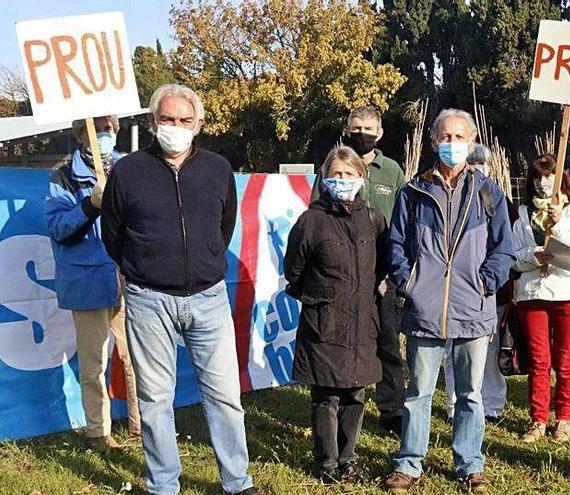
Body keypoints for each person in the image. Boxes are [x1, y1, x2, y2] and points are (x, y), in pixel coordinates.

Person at [101, 84, 256, 495]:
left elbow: (223, 228)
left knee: (224, 396)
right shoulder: (127, 171)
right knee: (154, 400)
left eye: (185, 120)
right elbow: (112, 235)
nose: (176, 127)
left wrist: (201, 261)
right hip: (148, 300)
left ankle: (237, 482)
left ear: (199, 124)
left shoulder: (219, 168)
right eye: (167, 119)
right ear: (153, 122)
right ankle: (163, 485)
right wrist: (148, 267)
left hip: (208, 298)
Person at [383, 109, 514, 494]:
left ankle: (470, 464)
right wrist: (409, 282)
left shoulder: (489, 193)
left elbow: (503, 247)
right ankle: (409, 462)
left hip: (473, 307)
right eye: (445, 137)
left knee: (470, 394)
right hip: (425, 309)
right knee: (418, 392)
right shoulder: (413, 192)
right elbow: (396, 244)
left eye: (460, 137)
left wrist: (486, 283)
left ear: (472, 144)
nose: (452, 144)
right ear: (432, 141)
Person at [285, 146, 386, 484]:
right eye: (335, 175)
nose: (342, 180)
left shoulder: (373, 221)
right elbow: (294, 271)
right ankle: (327, 463)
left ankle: (348, 459)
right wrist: (322, 298)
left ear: (361, 177)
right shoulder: (311, 221)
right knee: (326, 396)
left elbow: (381, 267)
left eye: (348, 174)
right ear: (325, 179)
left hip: (361, 322)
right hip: (324, 323)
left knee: (355, 394)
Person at [45, 115, 140, 452]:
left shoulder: (129, 168)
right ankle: (98, 434)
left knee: (137, 356)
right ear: (79, 135)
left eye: (110, 129)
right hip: (86, 280)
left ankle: (141, 424)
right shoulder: (63, 176)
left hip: (128, 276)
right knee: (94, 363)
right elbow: (58, 229)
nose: (105, 135)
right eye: (97, 129)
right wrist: (90, 205)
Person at [312, 107, 407, 435]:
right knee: (344, 342)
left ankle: (392, 408)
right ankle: (342, 400)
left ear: (379, 133)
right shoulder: (333, 166)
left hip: (382, 273)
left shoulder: (392, 171)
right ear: (347, 129)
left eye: (368, 128)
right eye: (356, 127)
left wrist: (395, 270)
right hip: (341, 278)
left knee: (388, 342)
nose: (362, 133)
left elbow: (402, 221)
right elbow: (315, 215)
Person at [512, 154, 570, 443]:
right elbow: (514, 256)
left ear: (561, 179)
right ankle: (538, 419)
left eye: (549, 176)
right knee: (538, 361)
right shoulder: (521, 214)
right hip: (533, 294)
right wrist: (533, 257)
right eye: (537, 177)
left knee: (566, 360)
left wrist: (559, 225)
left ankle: (565, 419)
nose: (543, 183)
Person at [443, 144, 512, 424]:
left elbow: (504, 244)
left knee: (489, 353)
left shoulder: (494, 196)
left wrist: (489, 282)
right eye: (472, 162)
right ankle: (452, 405)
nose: (476, 167)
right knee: (452, 353)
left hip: (488, 291)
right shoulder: (448, 196)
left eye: (481, 163)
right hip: (452, 290)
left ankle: (493, 405)